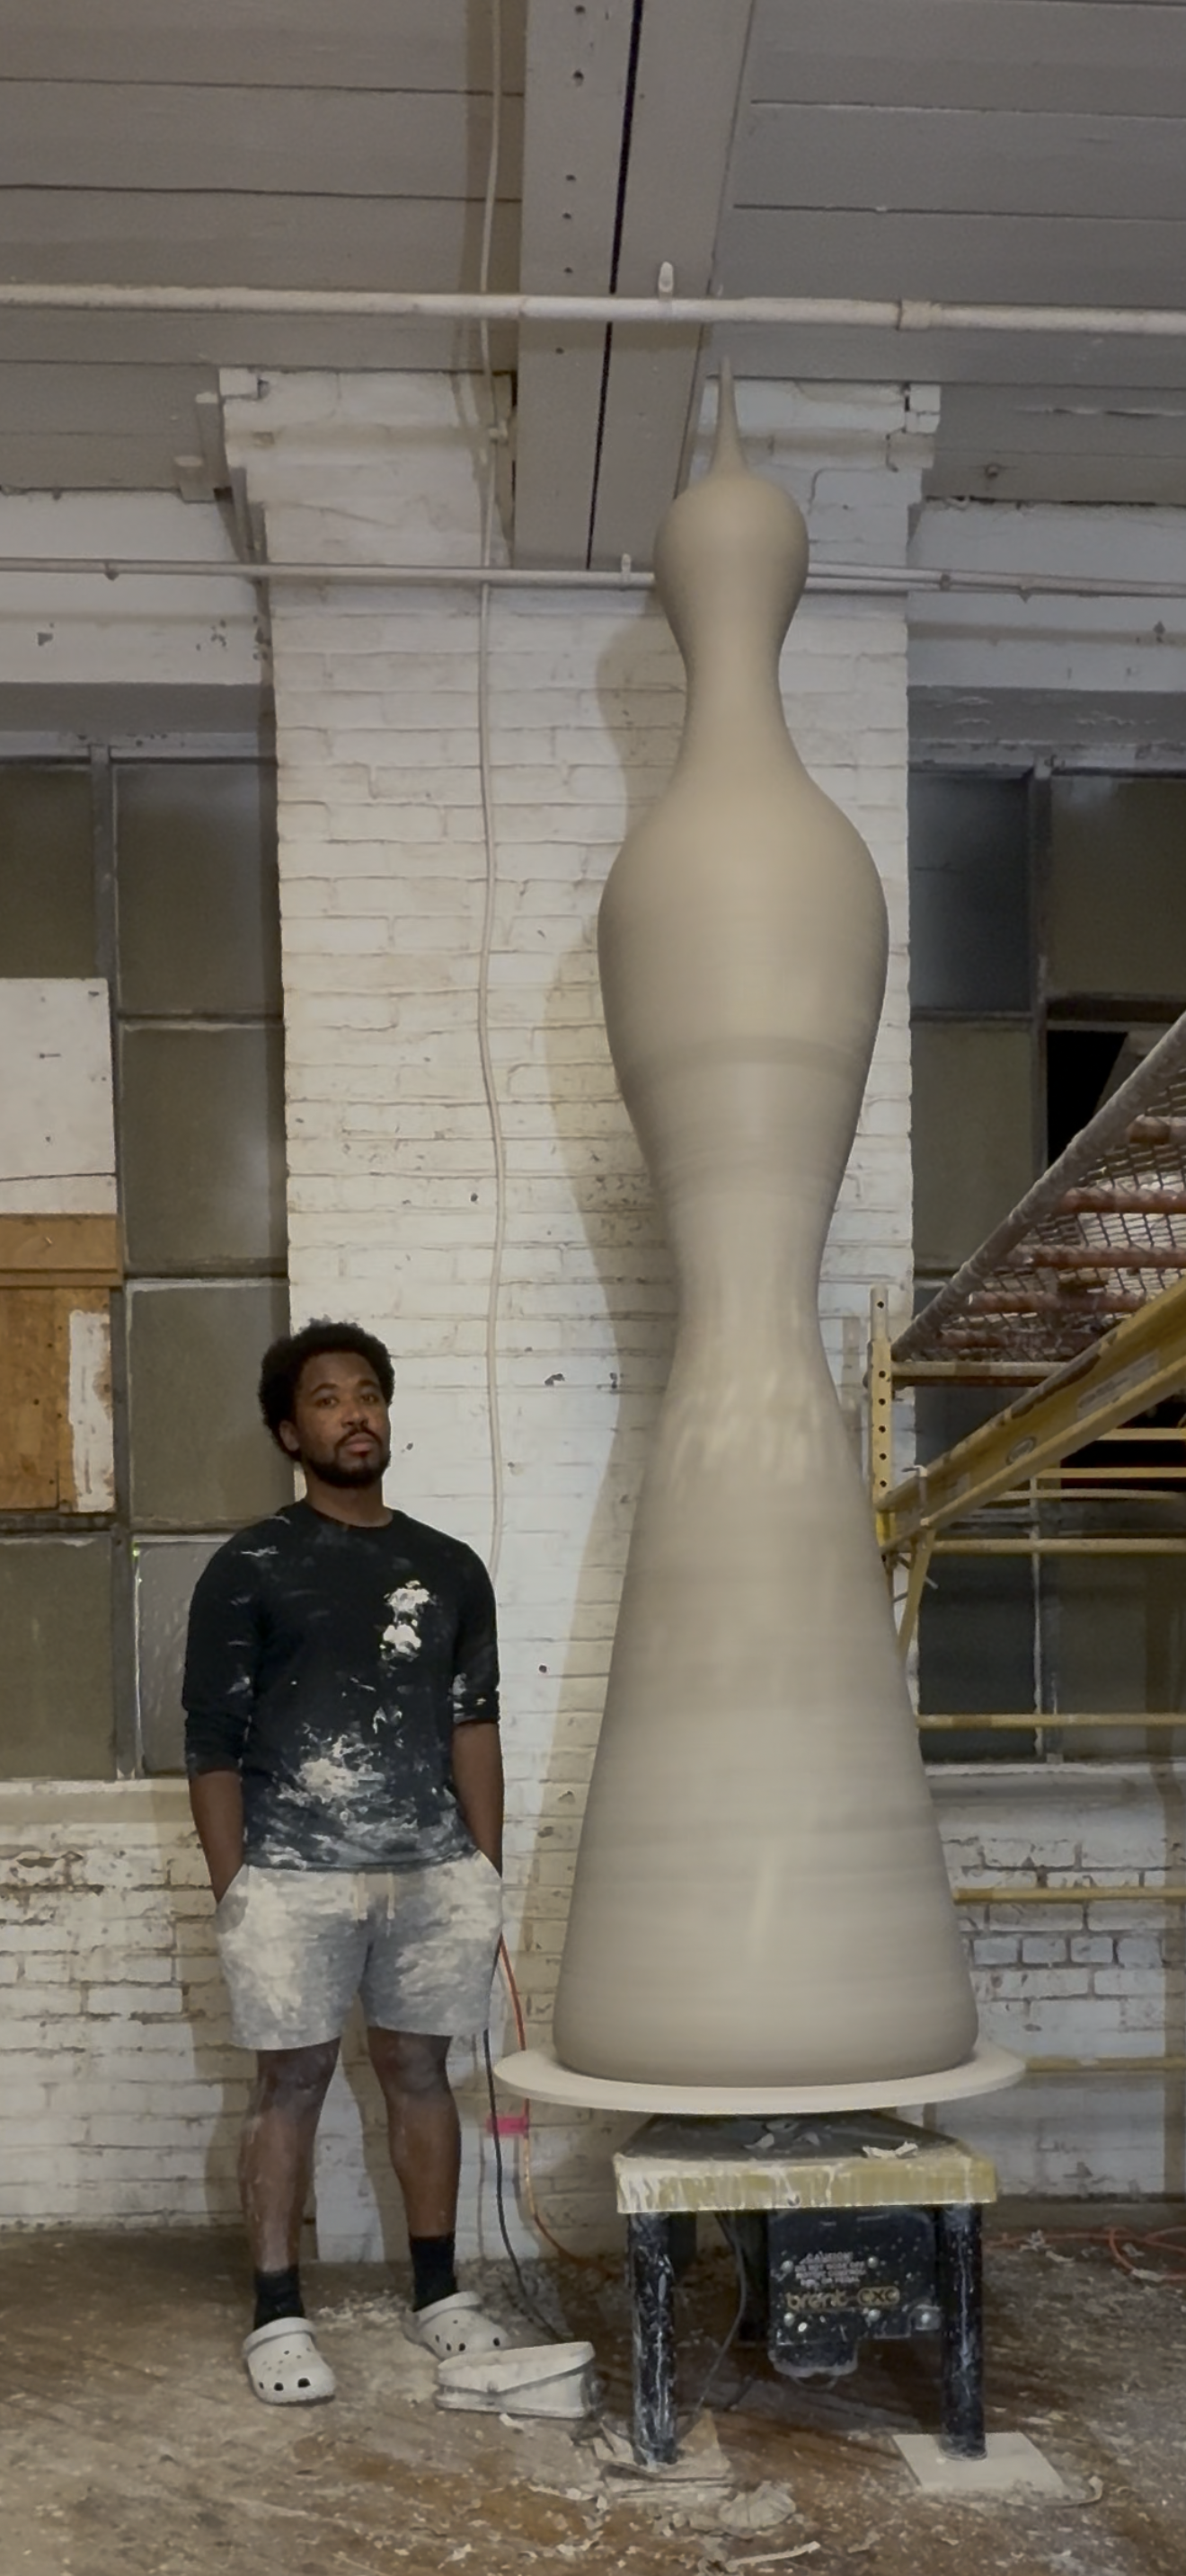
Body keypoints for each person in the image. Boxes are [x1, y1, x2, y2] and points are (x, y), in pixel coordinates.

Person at [182, 1318, 509, 2405]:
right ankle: (278, 2313)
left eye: (366, 1393)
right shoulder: (249, 1567)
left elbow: (473, 1724)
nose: (353, 1413)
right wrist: (237, 1889)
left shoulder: (450, 1569)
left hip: (432, 1873)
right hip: (290, 1875)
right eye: (326, 1400)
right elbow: (210, 1744)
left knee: (420, 2074)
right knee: (291, 2083)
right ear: (291, 1431)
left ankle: (439, 2294)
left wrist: (483, 1867)